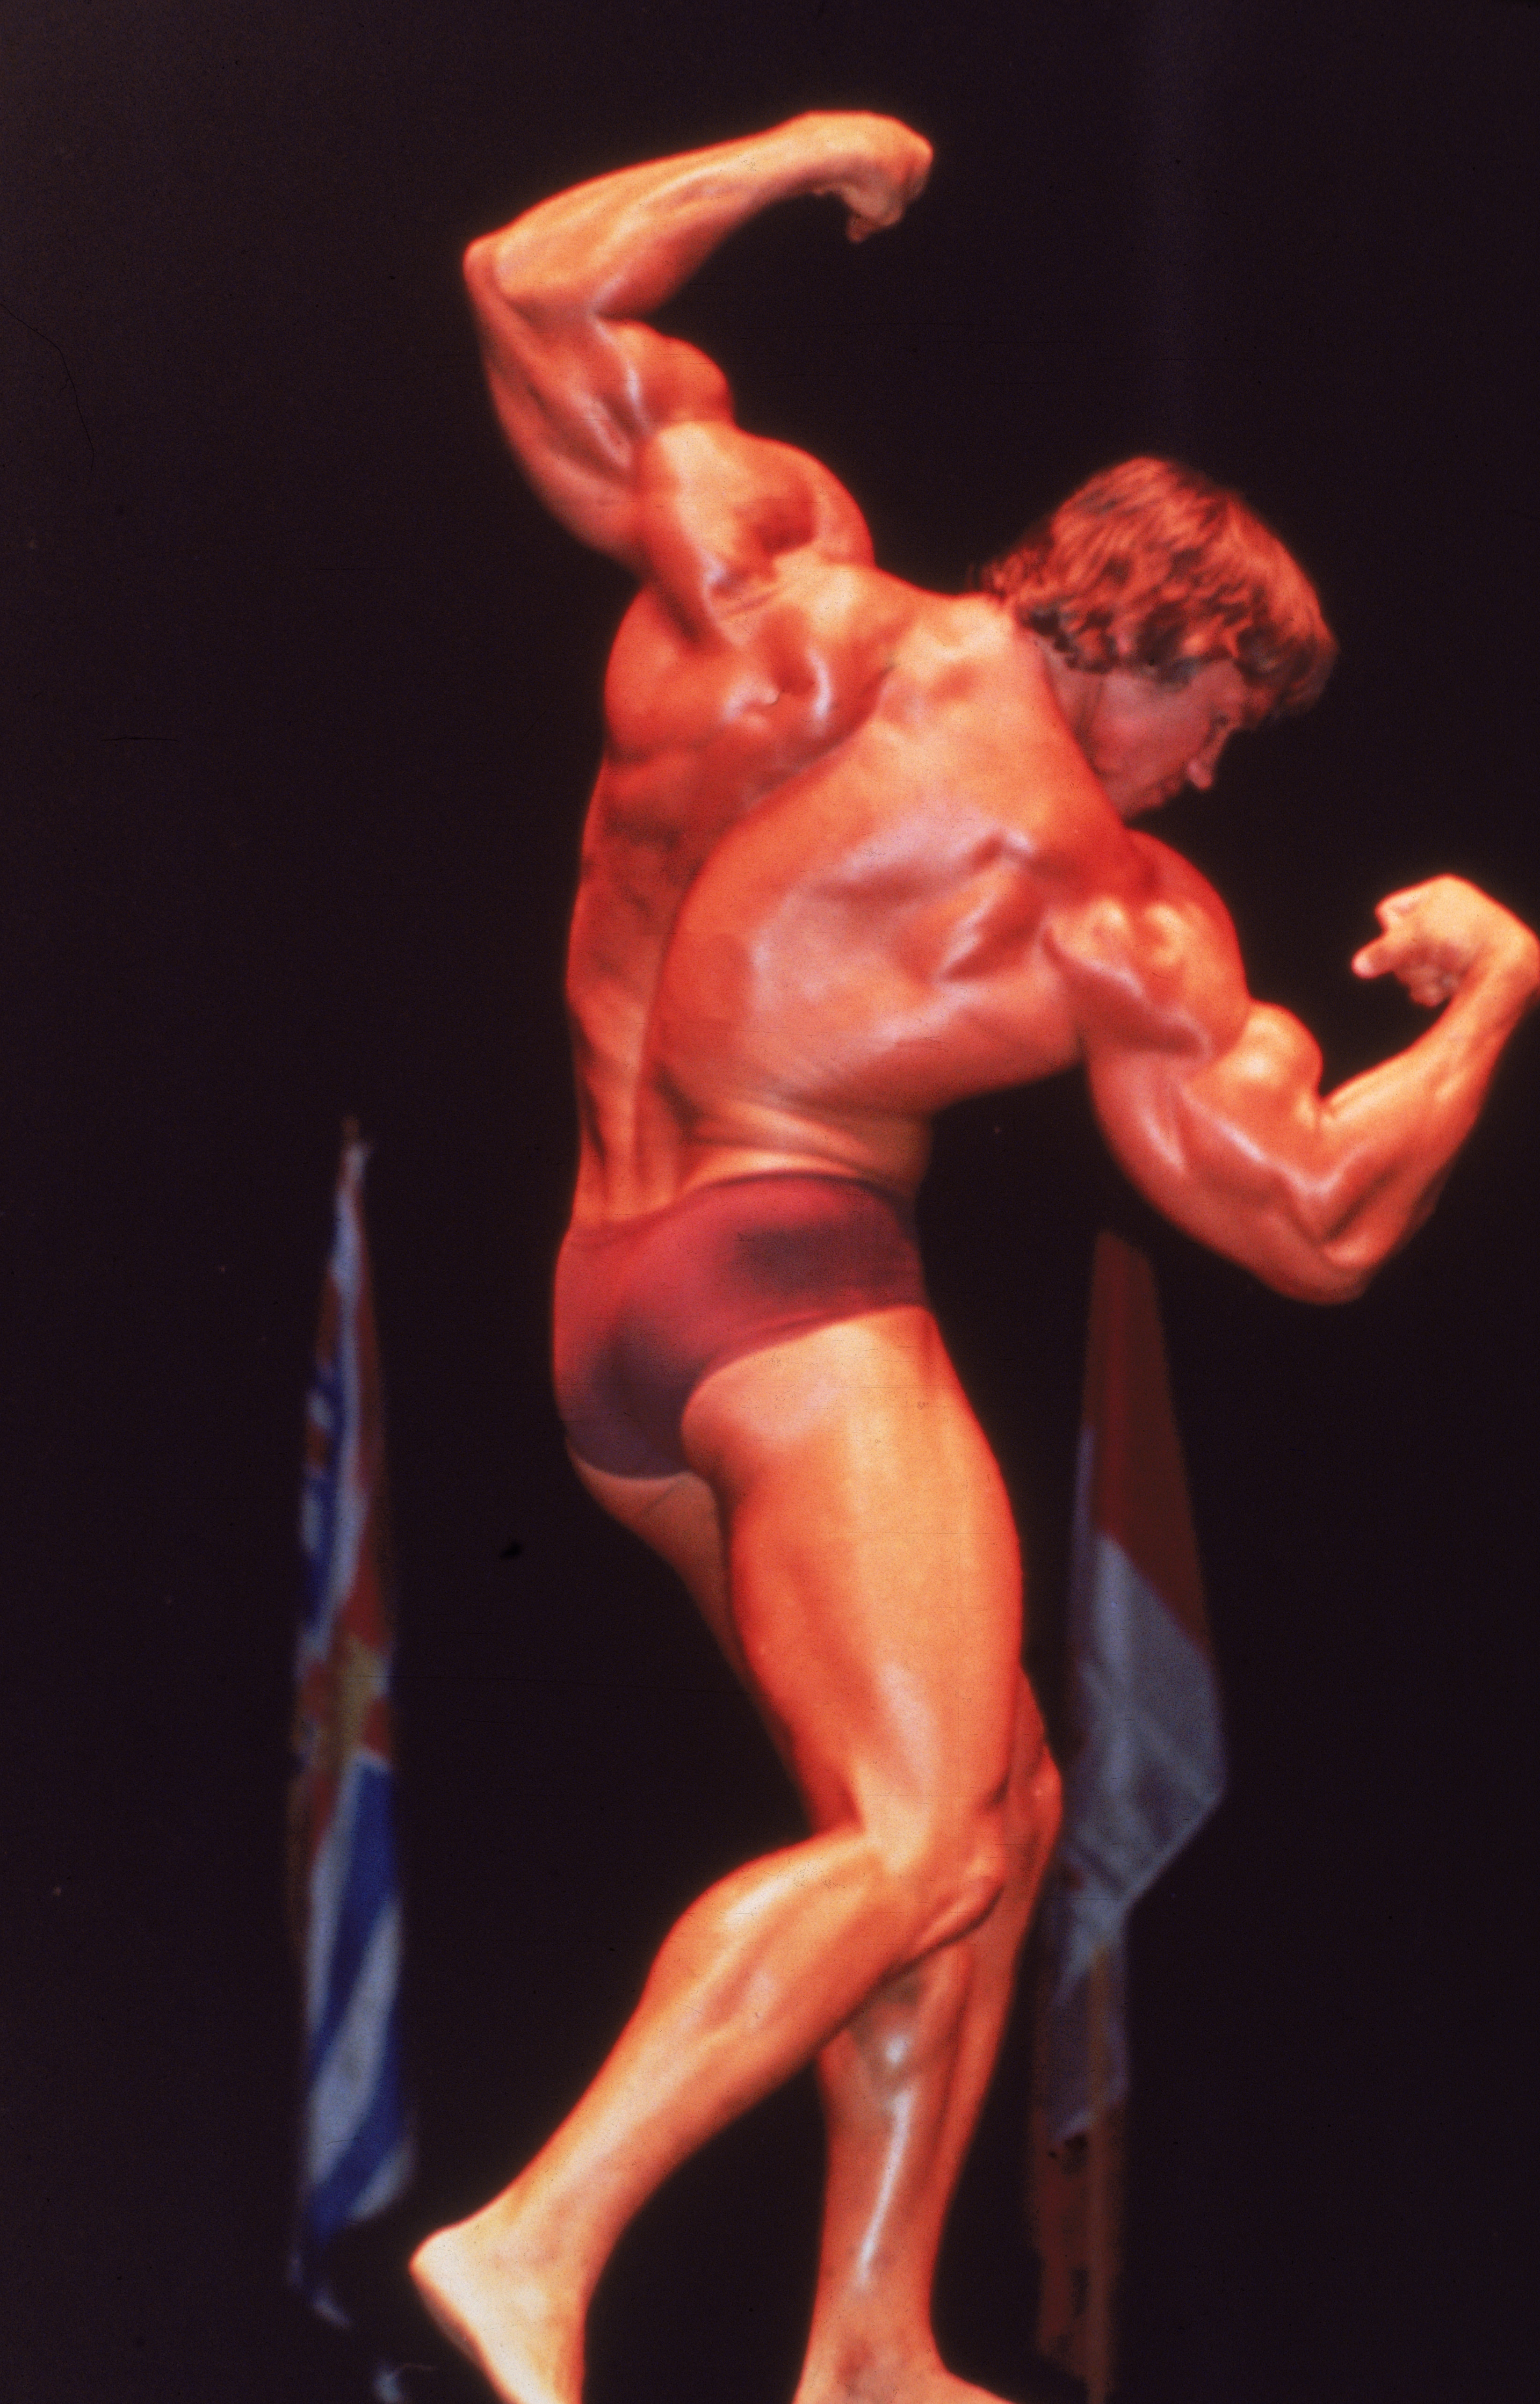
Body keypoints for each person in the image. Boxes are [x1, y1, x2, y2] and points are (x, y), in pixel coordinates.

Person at [411, 114, 1538, 2404]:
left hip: (607, 1314)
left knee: (995, 1801)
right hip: (796, 1286)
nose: (1205, 780)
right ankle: (539, 2238)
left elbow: (529, 284)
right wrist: (1505, 985)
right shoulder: (1104, 899)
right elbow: (1313, 1219)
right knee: (926, 1832)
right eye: (1219, 724)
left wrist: (795, 152)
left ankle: (869, 2343)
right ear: (1171, 642)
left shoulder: (772, 584)